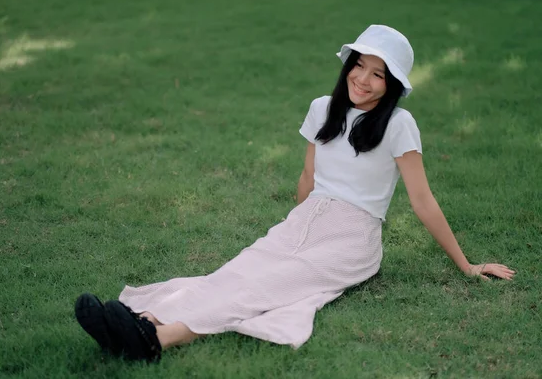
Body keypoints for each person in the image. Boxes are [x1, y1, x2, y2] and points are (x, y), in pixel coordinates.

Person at [74, 24, 515, 363]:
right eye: (358, 66)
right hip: (307, 221)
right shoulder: (322, 108)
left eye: (378, 75)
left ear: (392, 84)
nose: (363, 79)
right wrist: (292, 231)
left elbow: (423, 201)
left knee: (263, 286)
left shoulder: (399, 125)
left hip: (353, 241)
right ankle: (139, 321)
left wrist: (468, 266)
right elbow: (308, 177)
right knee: (239, 272)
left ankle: (154, 338)